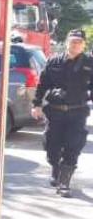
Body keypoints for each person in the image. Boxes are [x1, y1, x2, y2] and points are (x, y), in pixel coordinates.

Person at [32, 28, 93, 197]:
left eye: (79, 42)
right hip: (55, 112)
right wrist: (36, 103)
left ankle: (64, 183)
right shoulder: (54, 61)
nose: (76, 44)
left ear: (83, 45)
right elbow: (42, 83)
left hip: (77, 111)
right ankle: (55, 168)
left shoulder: (89, 62)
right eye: (73, 41)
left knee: (73, 146)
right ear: (67, 42)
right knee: (52, 146)